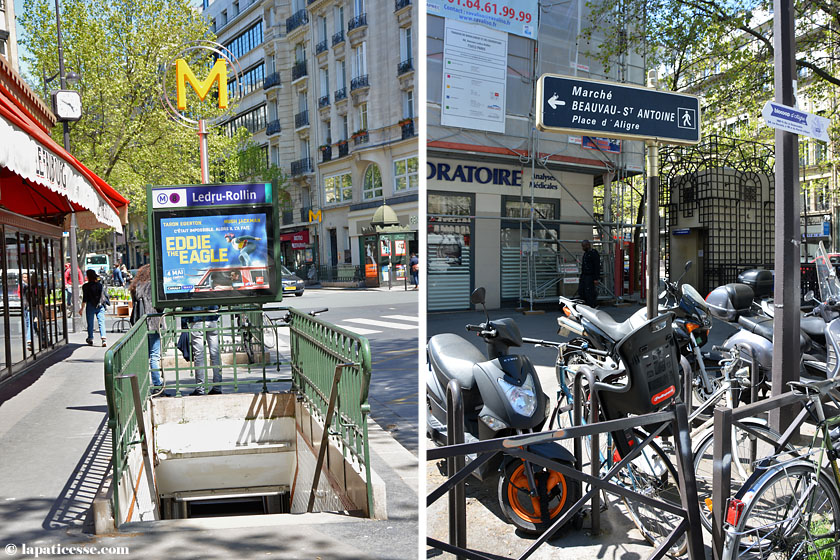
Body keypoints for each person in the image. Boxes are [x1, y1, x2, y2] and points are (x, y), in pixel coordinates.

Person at [129, 265, 164, 392]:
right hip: (153, 323)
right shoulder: (152, 286)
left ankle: (142, 385)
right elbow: (159, 306)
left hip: (141, 325)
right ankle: (157, 384)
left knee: (144, 355)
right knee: (155, 355)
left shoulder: (136, 287)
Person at [183, 305, 222, 395]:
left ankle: (200, 388)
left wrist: (184, 322)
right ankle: (217, 386)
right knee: (215, 354)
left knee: (199, 355)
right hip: (212, 317)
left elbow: (186, 302)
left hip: (197, 318)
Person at [80, 269, 107, 346]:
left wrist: (82, 308)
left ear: (87, 276)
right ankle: (103, 338)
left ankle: (90, 338)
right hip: (99, 305)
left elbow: (84, 298)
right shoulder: (99, 285)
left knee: (90, 323)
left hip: (90, 305)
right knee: (101, 322)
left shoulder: (85, 286)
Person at [579, 240, 601, 308]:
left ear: (587, 245)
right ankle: (586, 303)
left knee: (589, 291)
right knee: (582, 290)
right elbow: (584, 266)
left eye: (583, 246)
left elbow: (596, 266)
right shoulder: (586, 253)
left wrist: (596, 278)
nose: (582, 248)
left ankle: (592, 304)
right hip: (585, 275)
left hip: (591, 275)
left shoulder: (593, 253)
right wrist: (581, 276)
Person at [16, 273, 32, 350]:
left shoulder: (29, 285)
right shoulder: (23, 285)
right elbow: (19, 293)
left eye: (27, 277)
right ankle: (30, 339)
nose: (26, 278)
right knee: (28, 322)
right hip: (26, 305)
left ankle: (29, 339)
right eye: (24, 277)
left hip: (28, 305)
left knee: (29, 321)